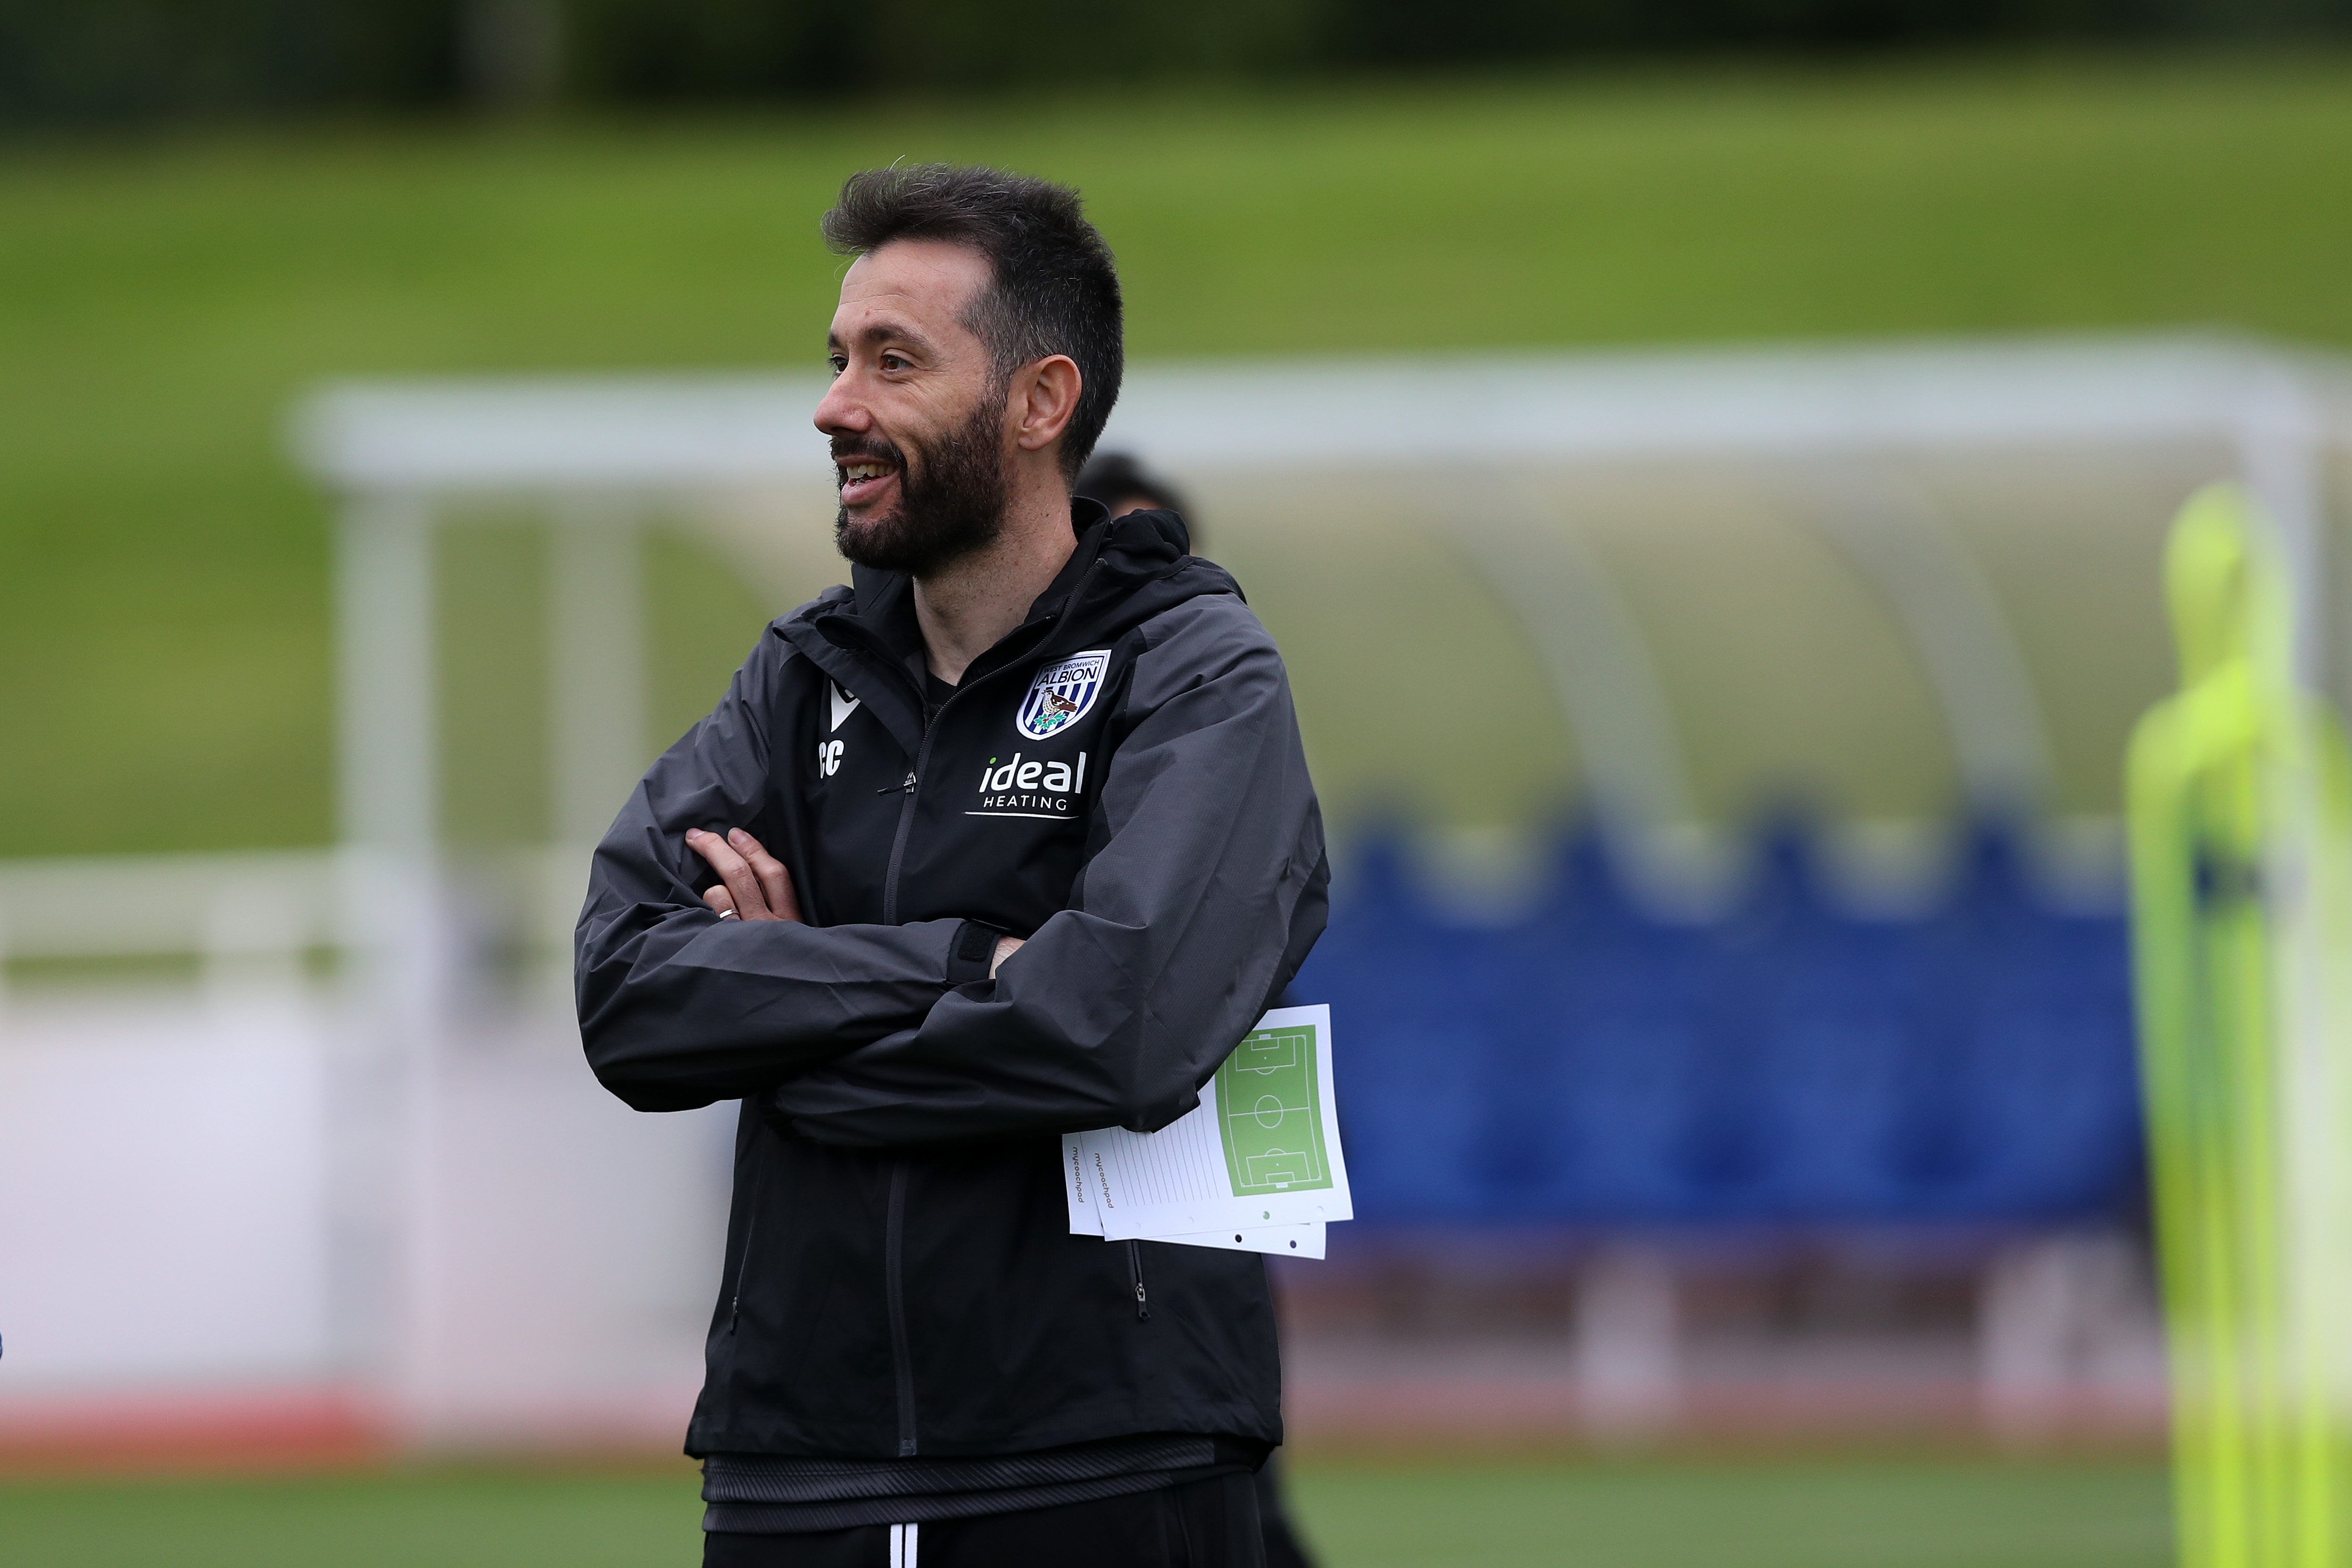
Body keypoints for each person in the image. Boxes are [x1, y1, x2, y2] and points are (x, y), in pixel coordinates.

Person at [575, 163, 1329, 1568]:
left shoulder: (1198, 671)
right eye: (836, 358)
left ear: (1038, 404)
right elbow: (625, 991)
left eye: (891, 361)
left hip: (1108, 1457)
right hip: (794, 1462)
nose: (833, 404)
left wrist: (784, 1011)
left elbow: (1115, 1031)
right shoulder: (798, 679)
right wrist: (967, 961)